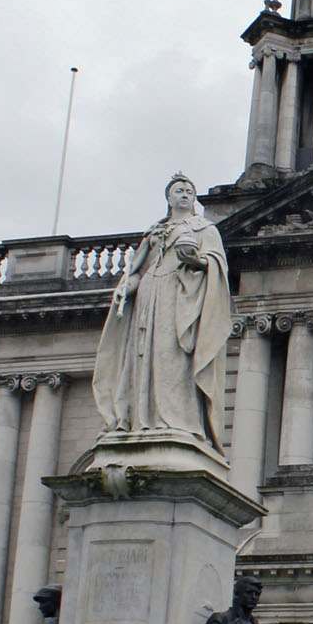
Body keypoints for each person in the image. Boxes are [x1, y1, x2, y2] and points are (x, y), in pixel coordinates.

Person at [92, 173, 231, 453]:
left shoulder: (205, 229)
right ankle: (144, 419)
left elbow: (217, 265)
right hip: (148, 298)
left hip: (181, 299)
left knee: (173, 357)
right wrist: (126, 287)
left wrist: (196, 260)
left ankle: (179, 422)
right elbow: (139, 270)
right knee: (144, 358)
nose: (185, 194)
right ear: (168, 198)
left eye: (189, 191)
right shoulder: (154, 232)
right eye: (179, 190)